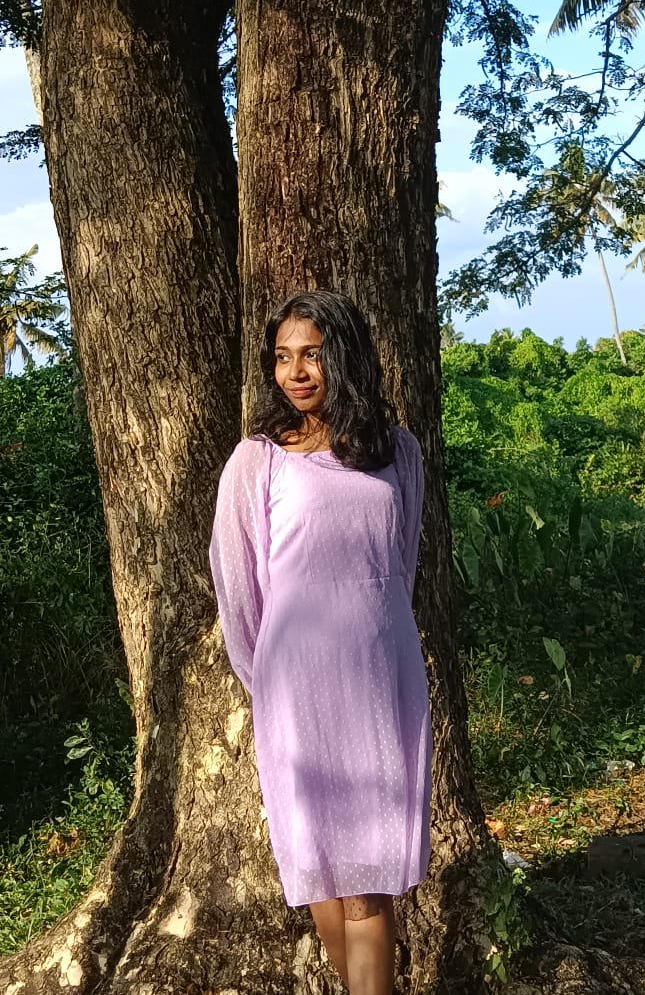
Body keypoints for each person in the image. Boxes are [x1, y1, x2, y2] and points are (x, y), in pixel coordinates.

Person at [209, 290, 432, 995]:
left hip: (379, 675)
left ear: (345, 355)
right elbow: (236, 585)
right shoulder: (259, 461)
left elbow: (405, 557)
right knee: (324, 879)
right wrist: (269, 679)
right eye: (282, 358)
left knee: (370, 883)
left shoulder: (398, 450)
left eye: (311, 354)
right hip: (296, 684)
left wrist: (380, 634)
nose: (296, 372)